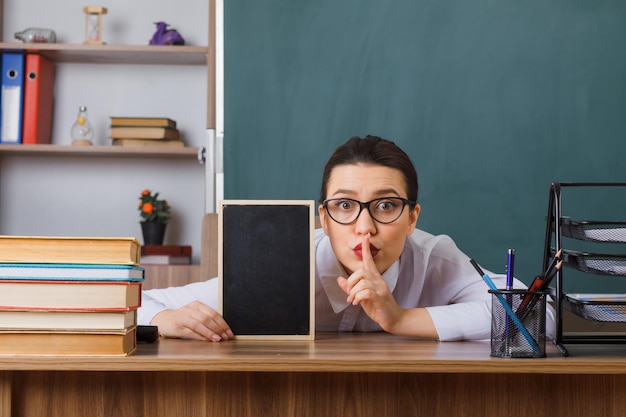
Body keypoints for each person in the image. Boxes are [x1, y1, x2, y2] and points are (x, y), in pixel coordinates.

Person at [138, 135, 556, 342]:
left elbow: (541, 315)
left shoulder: (433, 257)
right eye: (344, 206)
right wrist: (163, 320)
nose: (364, 227)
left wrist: (401, 319)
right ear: (322, 216)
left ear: (412, 218)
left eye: (386, 206)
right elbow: (136, 302)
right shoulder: (283, 264)